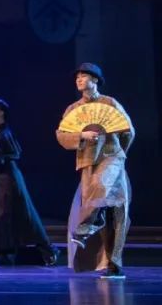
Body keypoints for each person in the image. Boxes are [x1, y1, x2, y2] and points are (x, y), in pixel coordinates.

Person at [56, 63, 134, 280]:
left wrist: (119, 153)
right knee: (106, 211)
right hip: (88, 163)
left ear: (95, 80)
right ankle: (112, 264)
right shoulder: (73, 109)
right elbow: (62, 134)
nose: (79, 80)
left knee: (113, 203)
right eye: (77, 78)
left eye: (84, 76)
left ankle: (86, 227)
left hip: (112, 158)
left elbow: (128, 131)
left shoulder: (109, 103)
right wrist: (82, 135)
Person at [0, 99, 58, 266]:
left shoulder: (4, 133)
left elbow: (8, 155)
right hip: (3, 178)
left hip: (9, 180)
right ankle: (5, 255)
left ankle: (48, 251)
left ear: (1, 113)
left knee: (21, 215)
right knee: (4, 217)